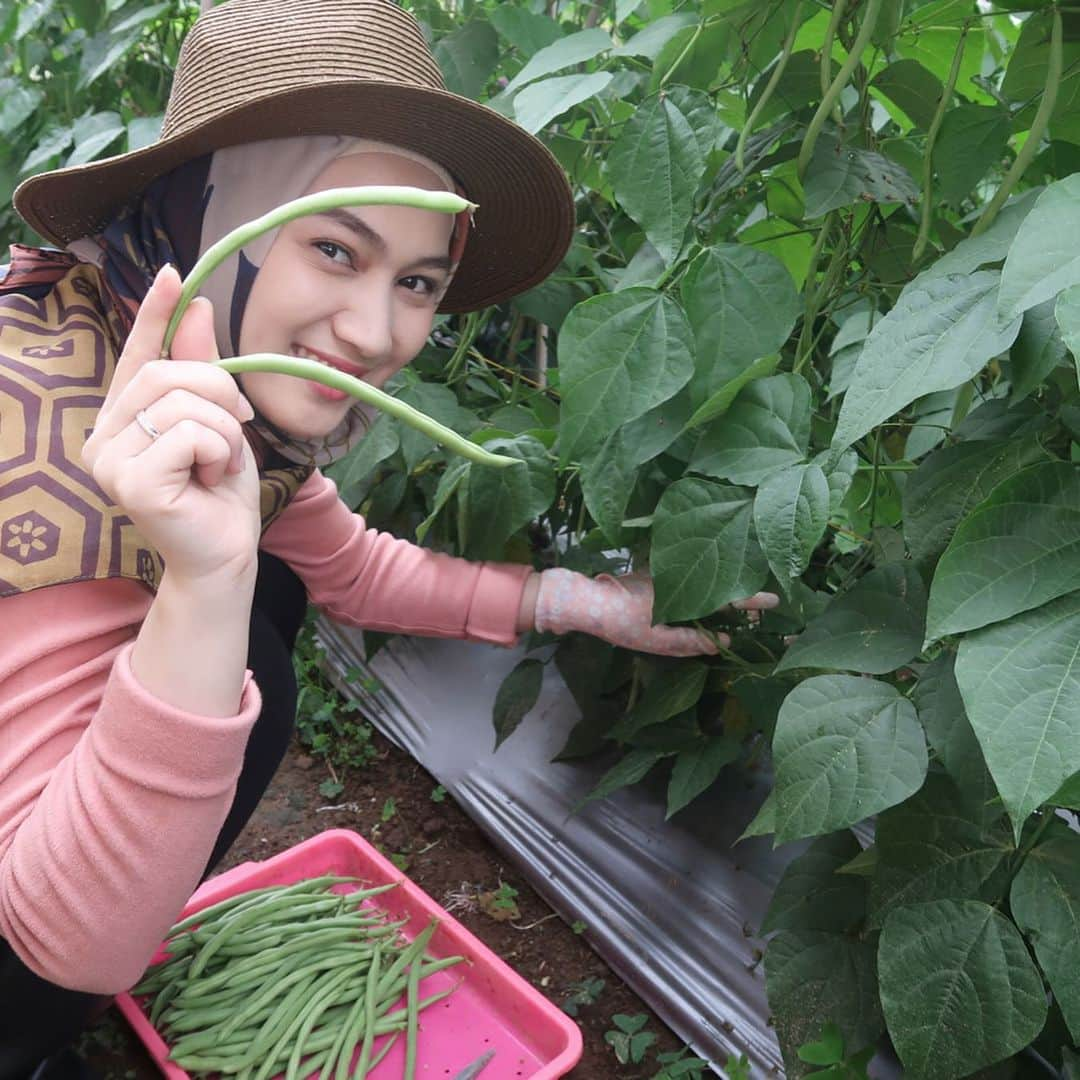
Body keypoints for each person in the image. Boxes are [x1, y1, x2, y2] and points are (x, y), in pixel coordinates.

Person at [0, 1, 777, 1075]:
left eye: (416, 281)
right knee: (250, 631)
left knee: (267, 604)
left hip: (62, 897)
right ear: (197, 213)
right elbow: (73, 938)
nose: (378, 335)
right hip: (37, 915)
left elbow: (352, 563)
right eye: (332, 247)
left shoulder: (211, 400)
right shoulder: (35, 437)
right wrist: (205, 583)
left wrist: (582, 602)